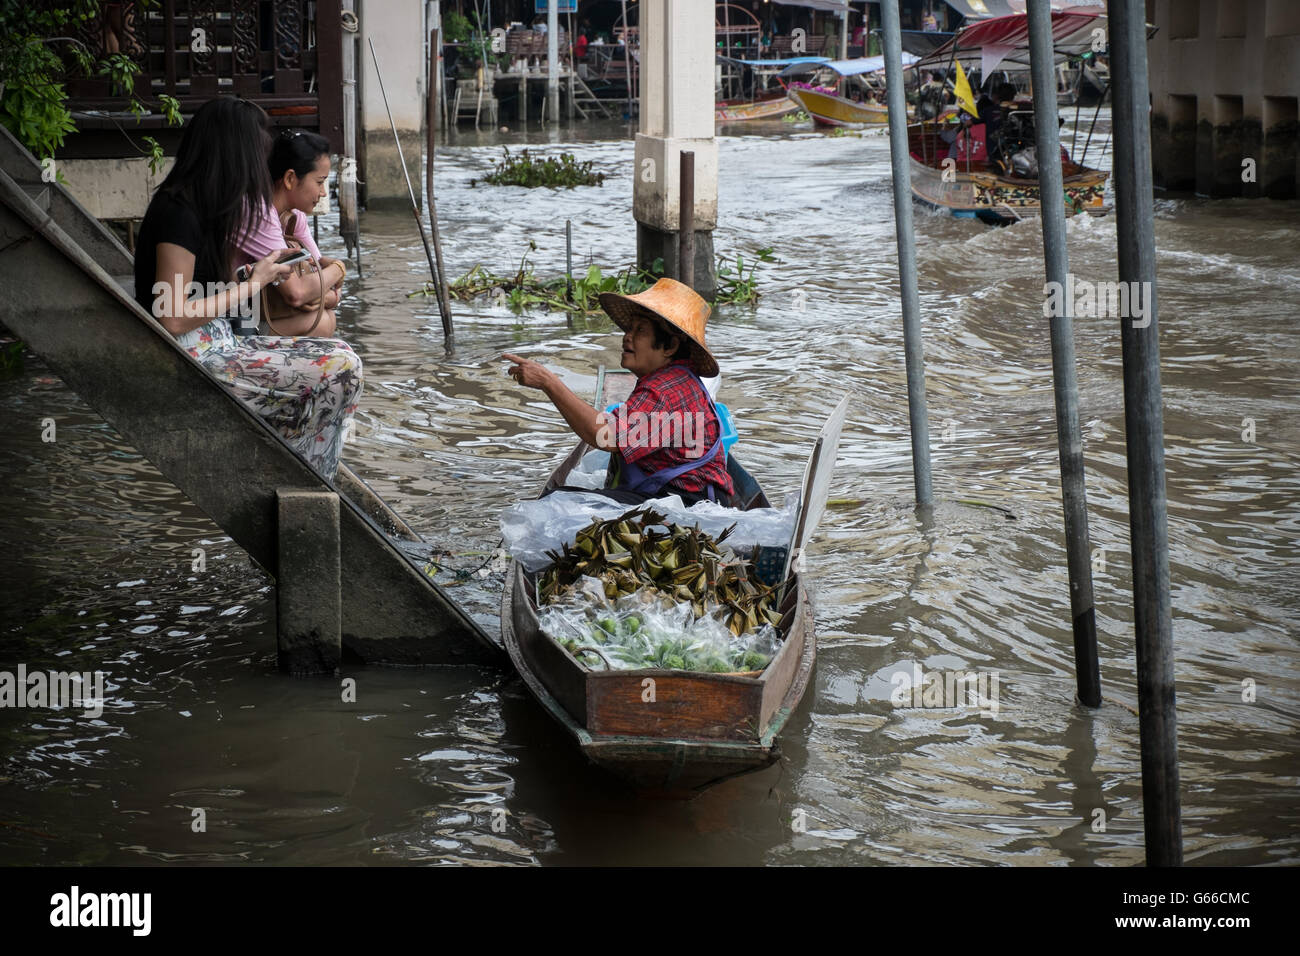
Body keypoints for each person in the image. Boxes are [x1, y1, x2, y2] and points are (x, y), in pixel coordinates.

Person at [133, 97, 362, 479]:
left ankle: (302, 467)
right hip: (190, 354)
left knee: (339, 351)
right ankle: (309, 477)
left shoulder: (210, 210)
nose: (262, 165)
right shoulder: (177, 211)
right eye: (258, 153)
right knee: (341, 367)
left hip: (220, 339)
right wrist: (252, 283)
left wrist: (256, 275)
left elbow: (209, 291)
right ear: (233, 153)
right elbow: (171, 316)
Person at [503, 278, 735, 506]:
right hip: (677, 494)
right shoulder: (674, 378)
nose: (627, 336)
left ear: (670, 346)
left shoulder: (666, 388)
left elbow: (604, 436)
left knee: (557, 501)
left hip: (687, 503)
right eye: (630, 328)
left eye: (640, 330)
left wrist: (548, 382)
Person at [235, 129, 346, 337]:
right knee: (322, 321)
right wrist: (340, 268)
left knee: (327, 317)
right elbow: (298, 293)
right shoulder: (259, 210)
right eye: (320, 182)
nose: (323, 193)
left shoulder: (294, 215)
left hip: (254, 310)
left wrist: (328, 295)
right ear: (290, 178)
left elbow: (318, 271)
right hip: (229, 316)